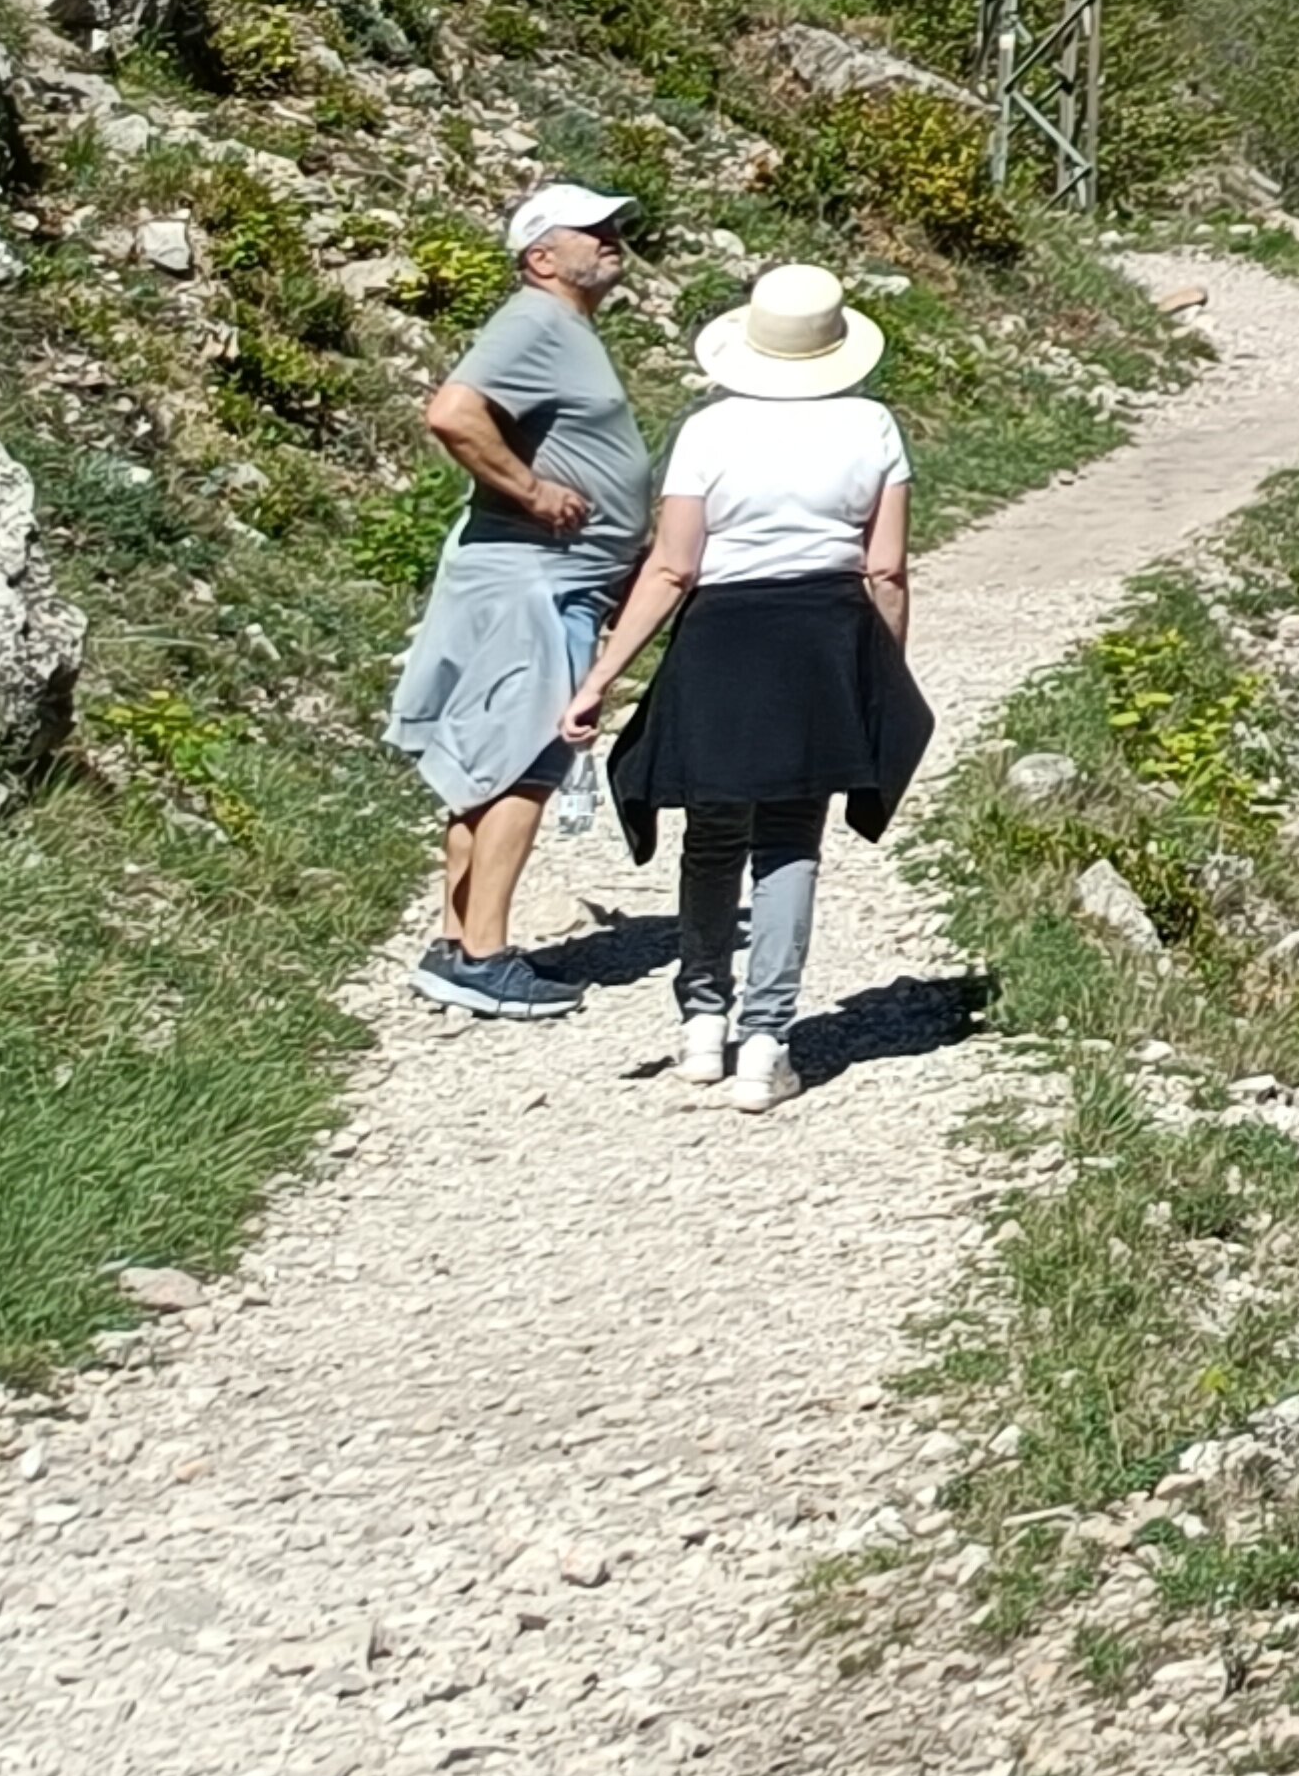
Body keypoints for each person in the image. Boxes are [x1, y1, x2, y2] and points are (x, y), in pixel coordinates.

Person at [562, 259, 930, 1108]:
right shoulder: (873, 426)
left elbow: (673, 567)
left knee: (713, 830)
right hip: (822, 639)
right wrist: (886, 674)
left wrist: (602, 677)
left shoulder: (708, 432)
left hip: (722, 638)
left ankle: (701, 1022)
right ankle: (766, 1042)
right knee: (793, 839)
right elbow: (886, 569)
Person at [378, 186, 642, 1020]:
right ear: (540, 257)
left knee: (491, 757)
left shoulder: (559, 327)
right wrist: (531, 492)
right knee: (528, 760)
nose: (611, 240)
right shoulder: (533, 320)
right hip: (535, 575)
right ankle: (485, 957)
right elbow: (452, 414)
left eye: (613, 228)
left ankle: (459, 941)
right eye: (592, 232)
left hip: (545, 575)